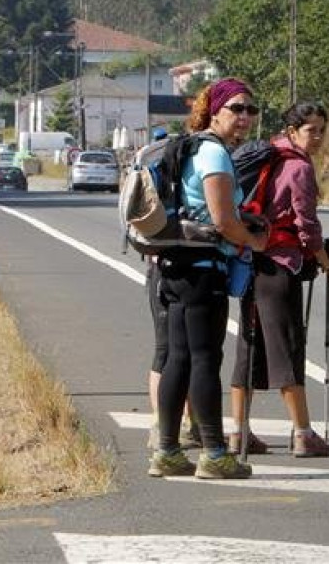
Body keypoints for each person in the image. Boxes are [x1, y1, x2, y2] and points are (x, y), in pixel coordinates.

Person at [148, 78, 268, 479]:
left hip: (175, 265)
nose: (245, 117)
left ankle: (166, 451)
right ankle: (215, 454)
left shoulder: (190, 146)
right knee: (204, 359)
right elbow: (222, 220)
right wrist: (254, 241)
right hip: (203, 269)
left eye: (251, 110)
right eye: (236, 108)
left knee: (178, 358)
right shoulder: (214, 153)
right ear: (214, 110)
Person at [229, 101, 329, 458]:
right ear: (293, 132)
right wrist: (325, 262)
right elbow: (307, 227)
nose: (318, 137)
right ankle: (303, 434)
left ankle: (239, 433)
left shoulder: (268, 156)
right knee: (288, 348)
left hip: (250, 263)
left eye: (322, 129)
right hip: (279, 267)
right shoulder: (298, 167)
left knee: (249, 347)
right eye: (311, 130)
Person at [144, 128, 199, 452]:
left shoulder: (152, 163)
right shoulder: (193, 162)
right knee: (180, 350)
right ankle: (165, 425)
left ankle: (168, 424)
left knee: (170, 350)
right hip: (181, 264)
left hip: (157, 265)